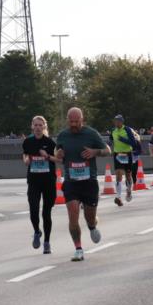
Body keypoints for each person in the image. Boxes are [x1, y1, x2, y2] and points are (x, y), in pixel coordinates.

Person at [54, 108, 110, 261]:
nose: (73, 124)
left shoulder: (91, 133)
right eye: (71, 121)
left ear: (82, 120)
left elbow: (108, 150)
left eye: (76, 122)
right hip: (71, 182)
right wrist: (58, 154)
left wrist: (95, 152)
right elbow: (57, 153)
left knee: (89, 217)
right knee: (73, 216)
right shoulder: (63, 135)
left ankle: (92, 226)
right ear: (67, 120)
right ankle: (78, 248)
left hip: (89, 182)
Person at [22, 115, 59, 253]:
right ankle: (37, 231)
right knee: (33, 209)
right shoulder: (28, 142)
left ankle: (47, 242)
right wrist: (26, 160)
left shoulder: (50, 143)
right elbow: (25, 154)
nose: (38, 128)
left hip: (48, 181)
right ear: (32, 126)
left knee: (46, 212)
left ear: (44, 127)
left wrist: (47, 156)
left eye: (40, 125)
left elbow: (59, 159)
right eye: (35, 125)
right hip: (33, 181)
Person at [109, 114, 138, 206]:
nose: (116, 123)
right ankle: (118, 197)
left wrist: (123, 139)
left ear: (122, 122)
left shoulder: (127, 130)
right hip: (117, 154)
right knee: (118, 174)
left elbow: (133, 143)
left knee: (128, 175)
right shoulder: (113, 131)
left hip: (127, 154)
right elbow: (111, 139)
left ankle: (129, 190)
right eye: (115, 121)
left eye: (118, 121)